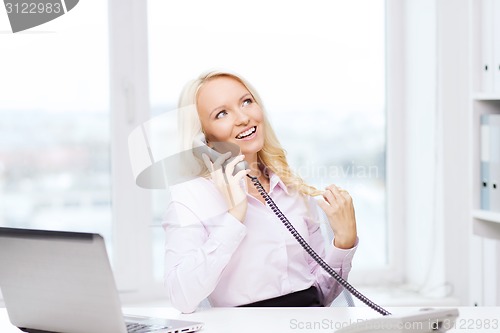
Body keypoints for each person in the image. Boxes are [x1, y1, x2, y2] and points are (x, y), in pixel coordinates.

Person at [162, 69, 358, 313]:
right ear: (203, 139)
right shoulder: (191, 197)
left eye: (246, 102)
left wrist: (344, 243)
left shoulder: (292, 189)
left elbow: (322, 295)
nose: (243, 118)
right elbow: (181, 297)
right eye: (222, 113)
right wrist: (234, 217)